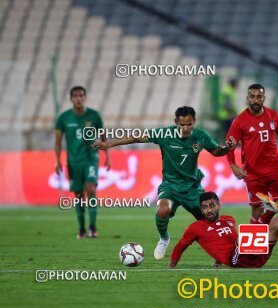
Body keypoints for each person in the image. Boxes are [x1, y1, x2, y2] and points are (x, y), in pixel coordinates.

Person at [93, 106, 236, 260]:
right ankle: (164, 238)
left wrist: (226, 148)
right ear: (175, 122)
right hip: (170, 186)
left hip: (192, 188)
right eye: (182, 125)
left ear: (194, 121)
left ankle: (219, 255)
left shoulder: (201, 136)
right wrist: (109, 144)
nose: (185, 128)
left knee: (209, 220)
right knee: (162, 210)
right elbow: (137, 137)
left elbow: (216, 151)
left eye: (189, 124)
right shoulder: (164, 134)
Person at [226, 84, 278, 259]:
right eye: (252, 96)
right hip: (253, 174)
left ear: (264, 98)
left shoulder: (274, 116)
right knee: (257, 212)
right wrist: (233, 166)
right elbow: (229, 145)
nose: (256, 100)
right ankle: (248, 250)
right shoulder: (240, 120)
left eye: (259, 96)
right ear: (247, 98)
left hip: (275, 170)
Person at [169, 192, 278, 268]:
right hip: (236, 259)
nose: (208, 210)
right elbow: (180, 247)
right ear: (201, 210)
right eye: (204, 208)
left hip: (257, 258)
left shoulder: (228, 219)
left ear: (218, 205)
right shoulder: (196, 227)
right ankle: (268, 211)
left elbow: (218, 242)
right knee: (243, 235)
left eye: (212, 205)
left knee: (277, 222)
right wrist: (171, 268)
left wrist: (217, 262)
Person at [55, 86, 111, 239]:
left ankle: (92, 227)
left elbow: (104, 136)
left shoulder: (94, 116)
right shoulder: (63, 118)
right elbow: (58, 141)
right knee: (79, 195)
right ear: (70, 98)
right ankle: (81, 229)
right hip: (73, 162)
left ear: (85, 97)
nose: (78, 98)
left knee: (91, 188)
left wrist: (107, 155)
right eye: (75, 96)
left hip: (91, 159)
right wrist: (57, 161)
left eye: (81, 96)